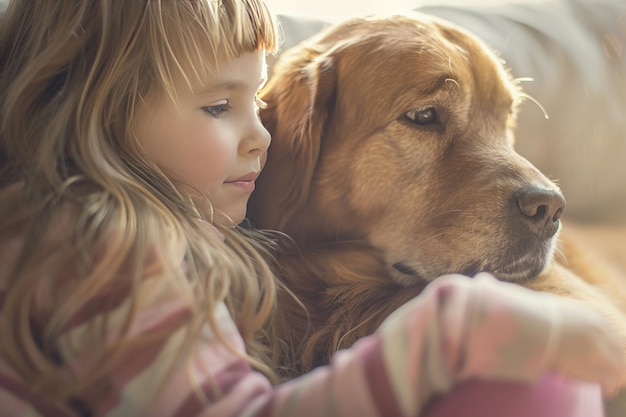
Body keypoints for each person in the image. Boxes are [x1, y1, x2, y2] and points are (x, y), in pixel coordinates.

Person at [0, 1, 624, 416]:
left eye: (501, 123)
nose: (261, 138)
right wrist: (454, 332)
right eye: (425, 118)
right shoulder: (121, 245)